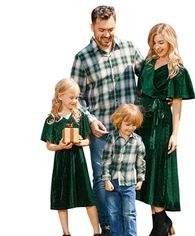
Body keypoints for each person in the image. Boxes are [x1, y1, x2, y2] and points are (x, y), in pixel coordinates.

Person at [70, 5, 144, 235]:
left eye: (110, 29)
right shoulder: (82, 58)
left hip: (129, 132)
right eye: (101, 29)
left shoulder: (130, 49)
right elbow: (75, 97)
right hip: (101, 131)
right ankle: (108, 228)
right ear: (92, 27)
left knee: (129, 179)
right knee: (103, 181)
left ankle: (128, 229)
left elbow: (148, 78)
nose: (106, 34)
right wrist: (90, 120)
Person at [136, 23, 195, 236]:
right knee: (145, 170)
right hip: (143, 122)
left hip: (161, 124)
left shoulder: (176, 69)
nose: (157, 46)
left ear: (170, 41)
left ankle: (160, 226)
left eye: (161, 42)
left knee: (159, 171)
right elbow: (140, 91)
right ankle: (162, 221)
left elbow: (178, 104)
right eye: (154, 42)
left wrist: (175, 134)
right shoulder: (148, 63)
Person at [40, 78, 101, 236]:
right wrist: (59, 146)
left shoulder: (80, 116)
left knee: (88, 197)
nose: (75, 101)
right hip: (62, 164)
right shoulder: (52, 119)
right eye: (71, 97)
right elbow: (48, 145)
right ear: (60, 96)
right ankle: (66, 232)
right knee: (61, 198)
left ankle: (97, 231)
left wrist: (82, 142)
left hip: (78, 161)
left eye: (77, 97)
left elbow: (88, 139)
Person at [101, 104, 146, 236]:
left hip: (129, 184)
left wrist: (140, 179)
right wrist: (106, 179)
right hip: (113, 183)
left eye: (134, 125)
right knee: (114, 213)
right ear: (119, 122)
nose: (130, 128)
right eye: (127, 124)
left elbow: (141, 162)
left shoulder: (138, 141)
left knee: (129, 213)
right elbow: (106, 160)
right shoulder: (112, 138)